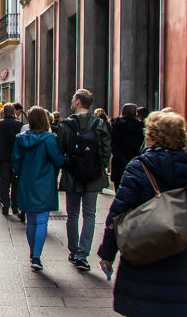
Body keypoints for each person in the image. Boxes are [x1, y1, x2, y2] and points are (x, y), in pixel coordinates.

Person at [98, 111, 187, 316]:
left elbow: (118, 212)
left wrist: (108, 253)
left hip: (143, 252)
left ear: (153, 135)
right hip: (183, 258)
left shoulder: (139, 166)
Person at [57, 88, 111, 272]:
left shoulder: (66, 125)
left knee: (72, 214)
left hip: (72, 176)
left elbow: (60, 149)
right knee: (90, 215)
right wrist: (98, 167)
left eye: (73, 98)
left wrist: (67, 166)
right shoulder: (99, 124)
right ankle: (82, 254)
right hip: (93, 178)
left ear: (78, 101)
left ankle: (73, 251)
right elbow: (106, 150)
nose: (72, 101)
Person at [12, 106, 66, 272]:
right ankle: (36, 256)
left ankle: (32, 253)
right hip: (44, 183)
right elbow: (58, 160)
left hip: (26, 182)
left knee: (31, 220)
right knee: (42, 220)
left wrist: (20, 174)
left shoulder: (20, 139)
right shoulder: (49, 138)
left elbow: (16, 162)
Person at [0, 103, 23, 218]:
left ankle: (5, 206)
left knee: (3, 183)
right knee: (15, 183)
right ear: (13, 112)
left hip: (1, 159)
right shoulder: (19, 124)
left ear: (3, 112)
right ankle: (15, 206)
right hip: (15, 159)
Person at [110, 103, 145, 191]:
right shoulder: (140, 127)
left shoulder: (115, 125)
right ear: (135, 113)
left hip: (118, 164)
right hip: (135, 163)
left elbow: (112, 146)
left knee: (119, 191)